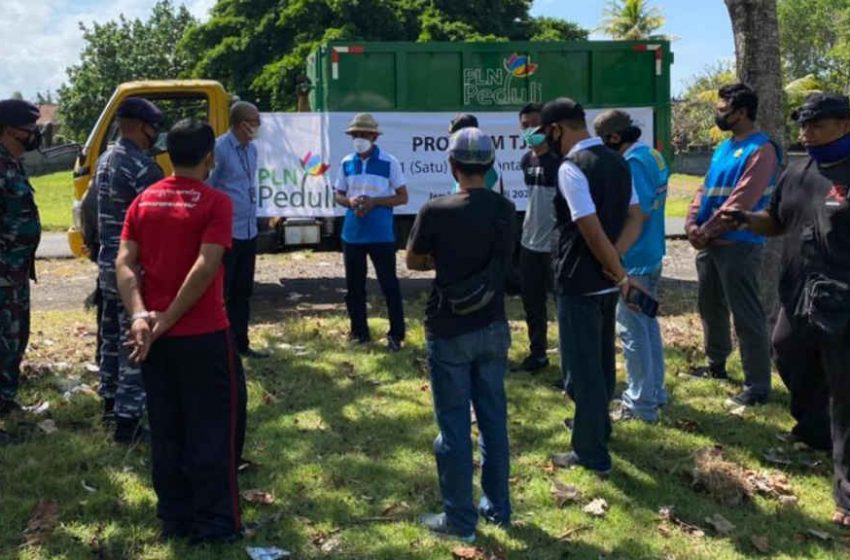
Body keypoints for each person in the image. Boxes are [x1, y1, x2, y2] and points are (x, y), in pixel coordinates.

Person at [718, 95, 850, 525]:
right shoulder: (797, 172)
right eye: (803, 127)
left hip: (844, 297)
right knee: (786, 352)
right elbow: (776, 221)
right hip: (798, 292)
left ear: (844, 126)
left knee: (846, 391)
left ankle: (846, 494)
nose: (806, 134)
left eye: (817, 126)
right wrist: (744, 218)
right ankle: (815, 433)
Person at [116, 119, 242, 544]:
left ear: (169, 154)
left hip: (153, 338)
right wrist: (167, 318)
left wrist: (140, 317)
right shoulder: (215, 203)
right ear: (211, 156)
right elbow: (207, 266)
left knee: (166, 428)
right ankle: (215, 524)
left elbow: (124, 264)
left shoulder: (142, 202)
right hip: (203, 334)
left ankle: (174, 518)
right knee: (212, 428)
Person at [407, 127, 516, 542]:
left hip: (449, 328)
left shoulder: (436, 210)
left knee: (453, 428)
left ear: (452, 165)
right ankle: (498, 510)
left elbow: (414, 261)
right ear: (490, 167)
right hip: (493, 326)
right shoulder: (505, 209)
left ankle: (459, 521)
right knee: (493, 422)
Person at [541, 98, 643, 476]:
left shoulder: (572, 167)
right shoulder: (618, 160)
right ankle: (599, 427)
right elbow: (637, 217)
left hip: (580, 282)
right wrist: (616, 263)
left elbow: (590, 227)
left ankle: (591, 454)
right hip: (604, 283)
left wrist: (613, 267)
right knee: (600, 364)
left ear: (557, 129)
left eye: (545, 133)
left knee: (581, 370)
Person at [684, 83, 780, 408]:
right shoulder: (724, 147)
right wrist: (692, 224)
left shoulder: (761, 149)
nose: (718, 113)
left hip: (739, 243)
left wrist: (707, 230)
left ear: (741, 112)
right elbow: (705, 188)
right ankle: (716, 365)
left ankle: (757, 385)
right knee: (710, 306)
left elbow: (743, 199)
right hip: (710, 241)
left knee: (746, 313)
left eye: (723, 108)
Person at [95, 97, 164, 443]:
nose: (156, 135)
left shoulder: (105, 159)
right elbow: (157, 226)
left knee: (109, 339)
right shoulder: (143, 168)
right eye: (154, 127)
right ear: (139, 126)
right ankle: (128, 423)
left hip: (108, 264)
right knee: (135, 343)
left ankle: (109, 405)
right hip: (133, 270)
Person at [594, 110, 670, 423]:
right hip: (651, 252)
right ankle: (655, 392)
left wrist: (615, 258)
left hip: (635, 258)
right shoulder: (652, 154)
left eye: (603, 141)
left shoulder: (632, 164)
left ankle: (640, 405)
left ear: (614, 138)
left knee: (632, 332)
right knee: (647, 326)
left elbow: (638, 214)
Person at [334, 113, 408, 351]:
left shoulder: (389, 162)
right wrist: (350, 201)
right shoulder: (346, 162)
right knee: (354, 287)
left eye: (363, 135)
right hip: (352, 234)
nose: (359, 139)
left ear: (374, 137)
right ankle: (359, 332)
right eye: (355, 135)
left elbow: (402, 197)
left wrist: (375, 202)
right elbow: (338, 194)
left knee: (389, 285)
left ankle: (396, 333)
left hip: (381, 234)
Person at [209, 101, 268, 359]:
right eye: (255, 121)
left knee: (243, 292)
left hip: (248, 230)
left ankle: (241, 344)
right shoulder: (220, 148)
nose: (259, 126)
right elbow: (209, 187)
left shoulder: (251, 150)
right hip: (226, 233)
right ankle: (221, 347)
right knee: (223, 292)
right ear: (242, 123)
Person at [0, 99, 42, 420]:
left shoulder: (12, 163)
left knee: (14, 340)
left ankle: (6, 400)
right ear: (12, 130)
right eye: (30, 129)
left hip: (15, 273)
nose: (35, 135)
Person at [514, 103, 560, 373]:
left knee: (562, 305)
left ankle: (570, 362)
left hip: (554, 248)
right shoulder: (525, 161)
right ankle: (538, 354)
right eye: (525, 125)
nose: (530, 129)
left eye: (536, 124)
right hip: (529, 243)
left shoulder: (560, 162)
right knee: (532, 305)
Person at [449, 114, 502, 193]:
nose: (453, 139)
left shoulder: (482, 161)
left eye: (455, 135)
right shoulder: (463, 159)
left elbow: (477, 198)